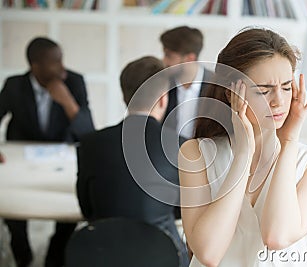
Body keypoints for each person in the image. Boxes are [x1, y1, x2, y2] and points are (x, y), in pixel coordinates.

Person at [178, 28, 307, 267]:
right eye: (264, 90)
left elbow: (277, 236)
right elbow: (208, 253)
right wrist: (243, 154)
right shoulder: (197, 153)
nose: (279, 101)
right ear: (231, 92)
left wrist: (289, 143)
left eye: (287, 87)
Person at [76, 56, 189, 266]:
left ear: (124, 97)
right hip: (162, 255)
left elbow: (87, 207)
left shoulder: (91, 142)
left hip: (103, 254)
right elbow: (181, 210)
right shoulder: (182, 145)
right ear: (163, 99)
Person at [0, 37, 95, 267]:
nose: (62, 68)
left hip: (61, 158)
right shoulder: (15, 85)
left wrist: (67, 101)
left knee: (71, 208)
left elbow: (88, 132)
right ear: (35, 66)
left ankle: (55, 254)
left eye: (61, 60)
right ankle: (22, 253)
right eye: (55, 62)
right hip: (21, 158)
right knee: (12, 207)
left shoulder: (73, 81)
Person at [160, 26, 213, 139]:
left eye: (169, 55)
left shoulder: (217, 85)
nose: (164, 61)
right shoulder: (162, 83)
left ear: (190, 58)